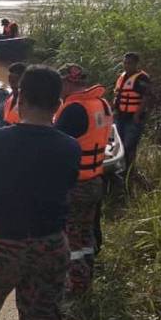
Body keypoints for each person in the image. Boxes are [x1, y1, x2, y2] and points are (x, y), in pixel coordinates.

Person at [0, 65, 82, 320]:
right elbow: (68, 186)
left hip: (2, 245)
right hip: (50, 246)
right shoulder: (71, 147)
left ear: (20, 99)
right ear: (58, 104)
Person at [54, 63, 113, 296]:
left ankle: (75, 289)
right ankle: (87, 280)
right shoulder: (102, 104)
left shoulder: (73, 109)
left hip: (75, 184)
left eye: (61, 83)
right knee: (87, 234)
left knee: (72, 238)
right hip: (95, 179)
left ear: (69, 82)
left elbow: (55, 145)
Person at [112, 52, 151, 170]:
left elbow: (146, 97)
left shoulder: (142, 78)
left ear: (136, 64)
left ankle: (130, 171)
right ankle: (120, 170)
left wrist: (137, 115)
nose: (126, 65)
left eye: (129, 63)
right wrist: (114, 110)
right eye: (125, 63)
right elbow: (118, 95)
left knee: (130, 146)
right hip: (120, 116)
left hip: (133, 118)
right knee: (119, 145)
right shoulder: (122, 76)